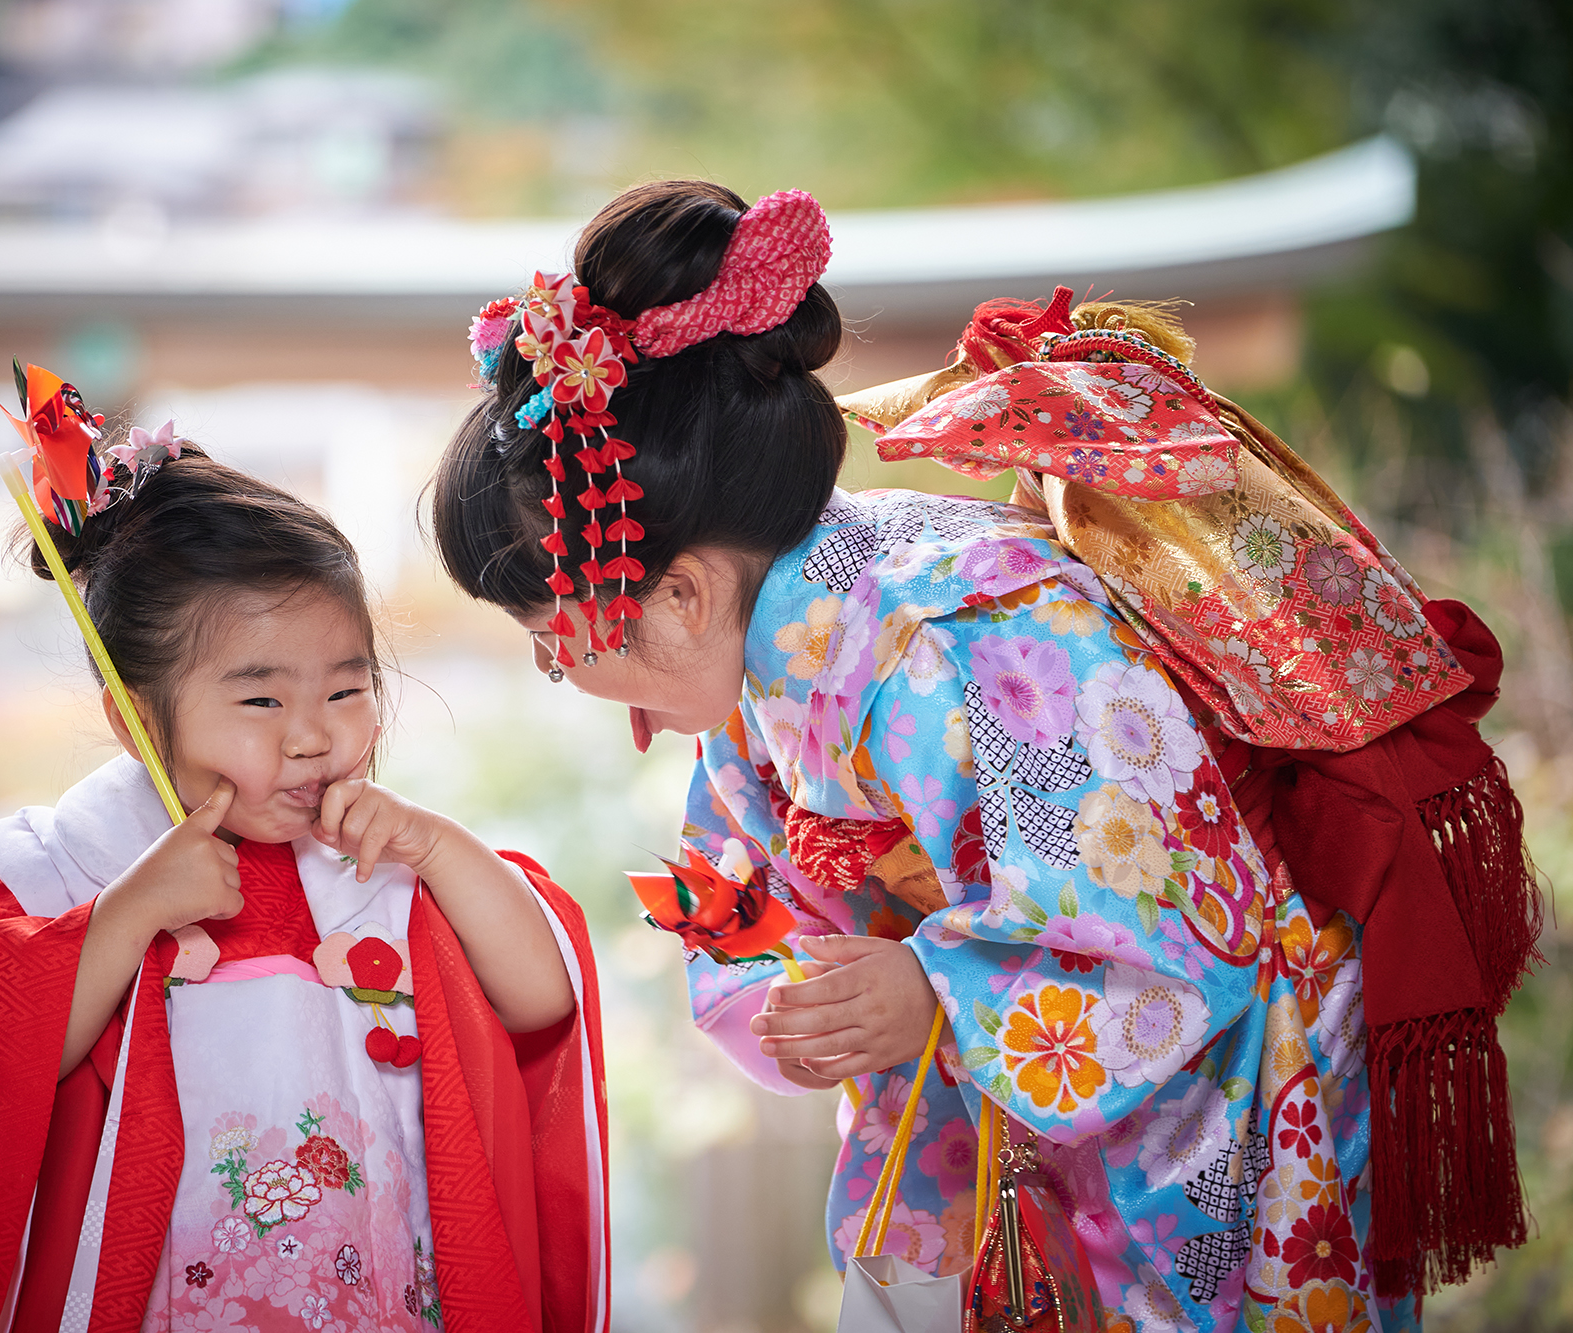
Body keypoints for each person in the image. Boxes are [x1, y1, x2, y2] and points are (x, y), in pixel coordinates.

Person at [429, 180, 1517, 1332]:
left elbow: (1161, 933)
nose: (573, 679)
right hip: (982, 1112)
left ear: (682, 593)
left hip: (1194, 1100)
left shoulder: (971, 632)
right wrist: (796, 999)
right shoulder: (763, 665)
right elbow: (747, 898)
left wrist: (932, 988)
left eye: (558, 649)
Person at [0, 438, 609, 1333]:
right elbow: (13, 1051)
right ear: (136, 714)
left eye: (346, 690)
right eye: (261, 701)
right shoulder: (69, 866)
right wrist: (132, 907)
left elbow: (541, 1000)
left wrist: (442, 849)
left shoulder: (388, 857)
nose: (312, 737)